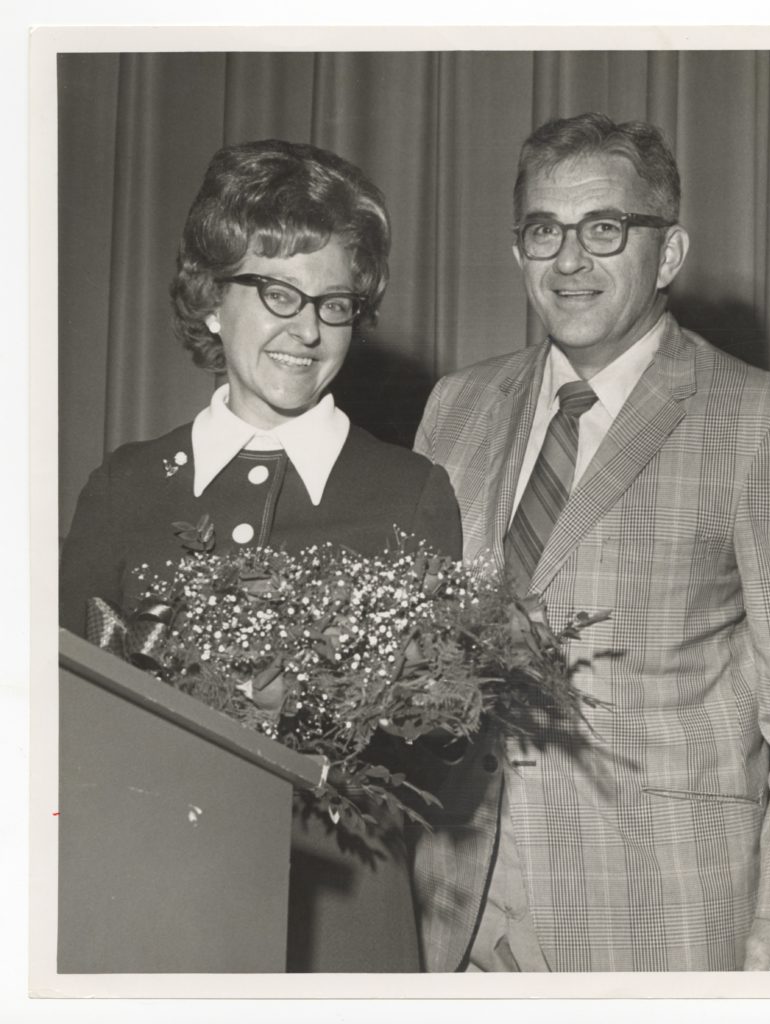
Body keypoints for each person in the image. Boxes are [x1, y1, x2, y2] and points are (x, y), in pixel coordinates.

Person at [59, 139, 462, 972]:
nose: (307, 330)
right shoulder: (125, 486)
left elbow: (434, 748)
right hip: (145, 900)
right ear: (211, 299)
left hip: (339, 922)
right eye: (277, 292)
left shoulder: (409, 492)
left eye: (335, 303)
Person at [412, 113, 770, 972]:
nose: (569, 260)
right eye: (544, 231)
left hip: (662, 913)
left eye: (604, 228)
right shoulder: (455, 408)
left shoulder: (762, 420)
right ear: (518, 252)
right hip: (458, 905)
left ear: (666, 255)